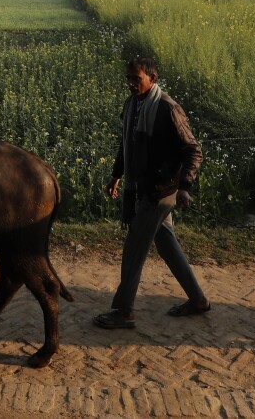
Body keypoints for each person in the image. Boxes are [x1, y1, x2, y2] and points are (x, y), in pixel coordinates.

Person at [93, 57, 210, 330]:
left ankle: (124, 312)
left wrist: (184, 187)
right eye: (129, 78)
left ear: (152, 79)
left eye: (137, 79)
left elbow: (193, 150)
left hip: (160, 192)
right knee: (167, 245)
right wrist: (116, 174)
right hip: (144, 188)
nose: (131, 84)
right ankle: (199, 300)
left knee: (134, 247)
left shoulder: (168, 109)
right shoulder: (132, 105)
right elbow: (127, 144)